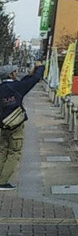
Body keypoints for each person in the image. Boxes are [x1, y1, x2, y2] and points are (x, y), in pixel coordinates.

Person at [0, 61, 46, 191]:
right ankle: (3, 182)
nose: (16, 73)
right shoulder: (17, 87)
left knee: (3, 150)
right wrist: (40, 67)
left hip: (3, 125)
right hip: (16, 125)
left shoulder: (3, 88)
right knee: (14, 152)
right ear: (12, 74)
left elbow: (24, 82)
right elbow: (34, 80)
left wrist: (31, 73)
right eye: (15, 72)